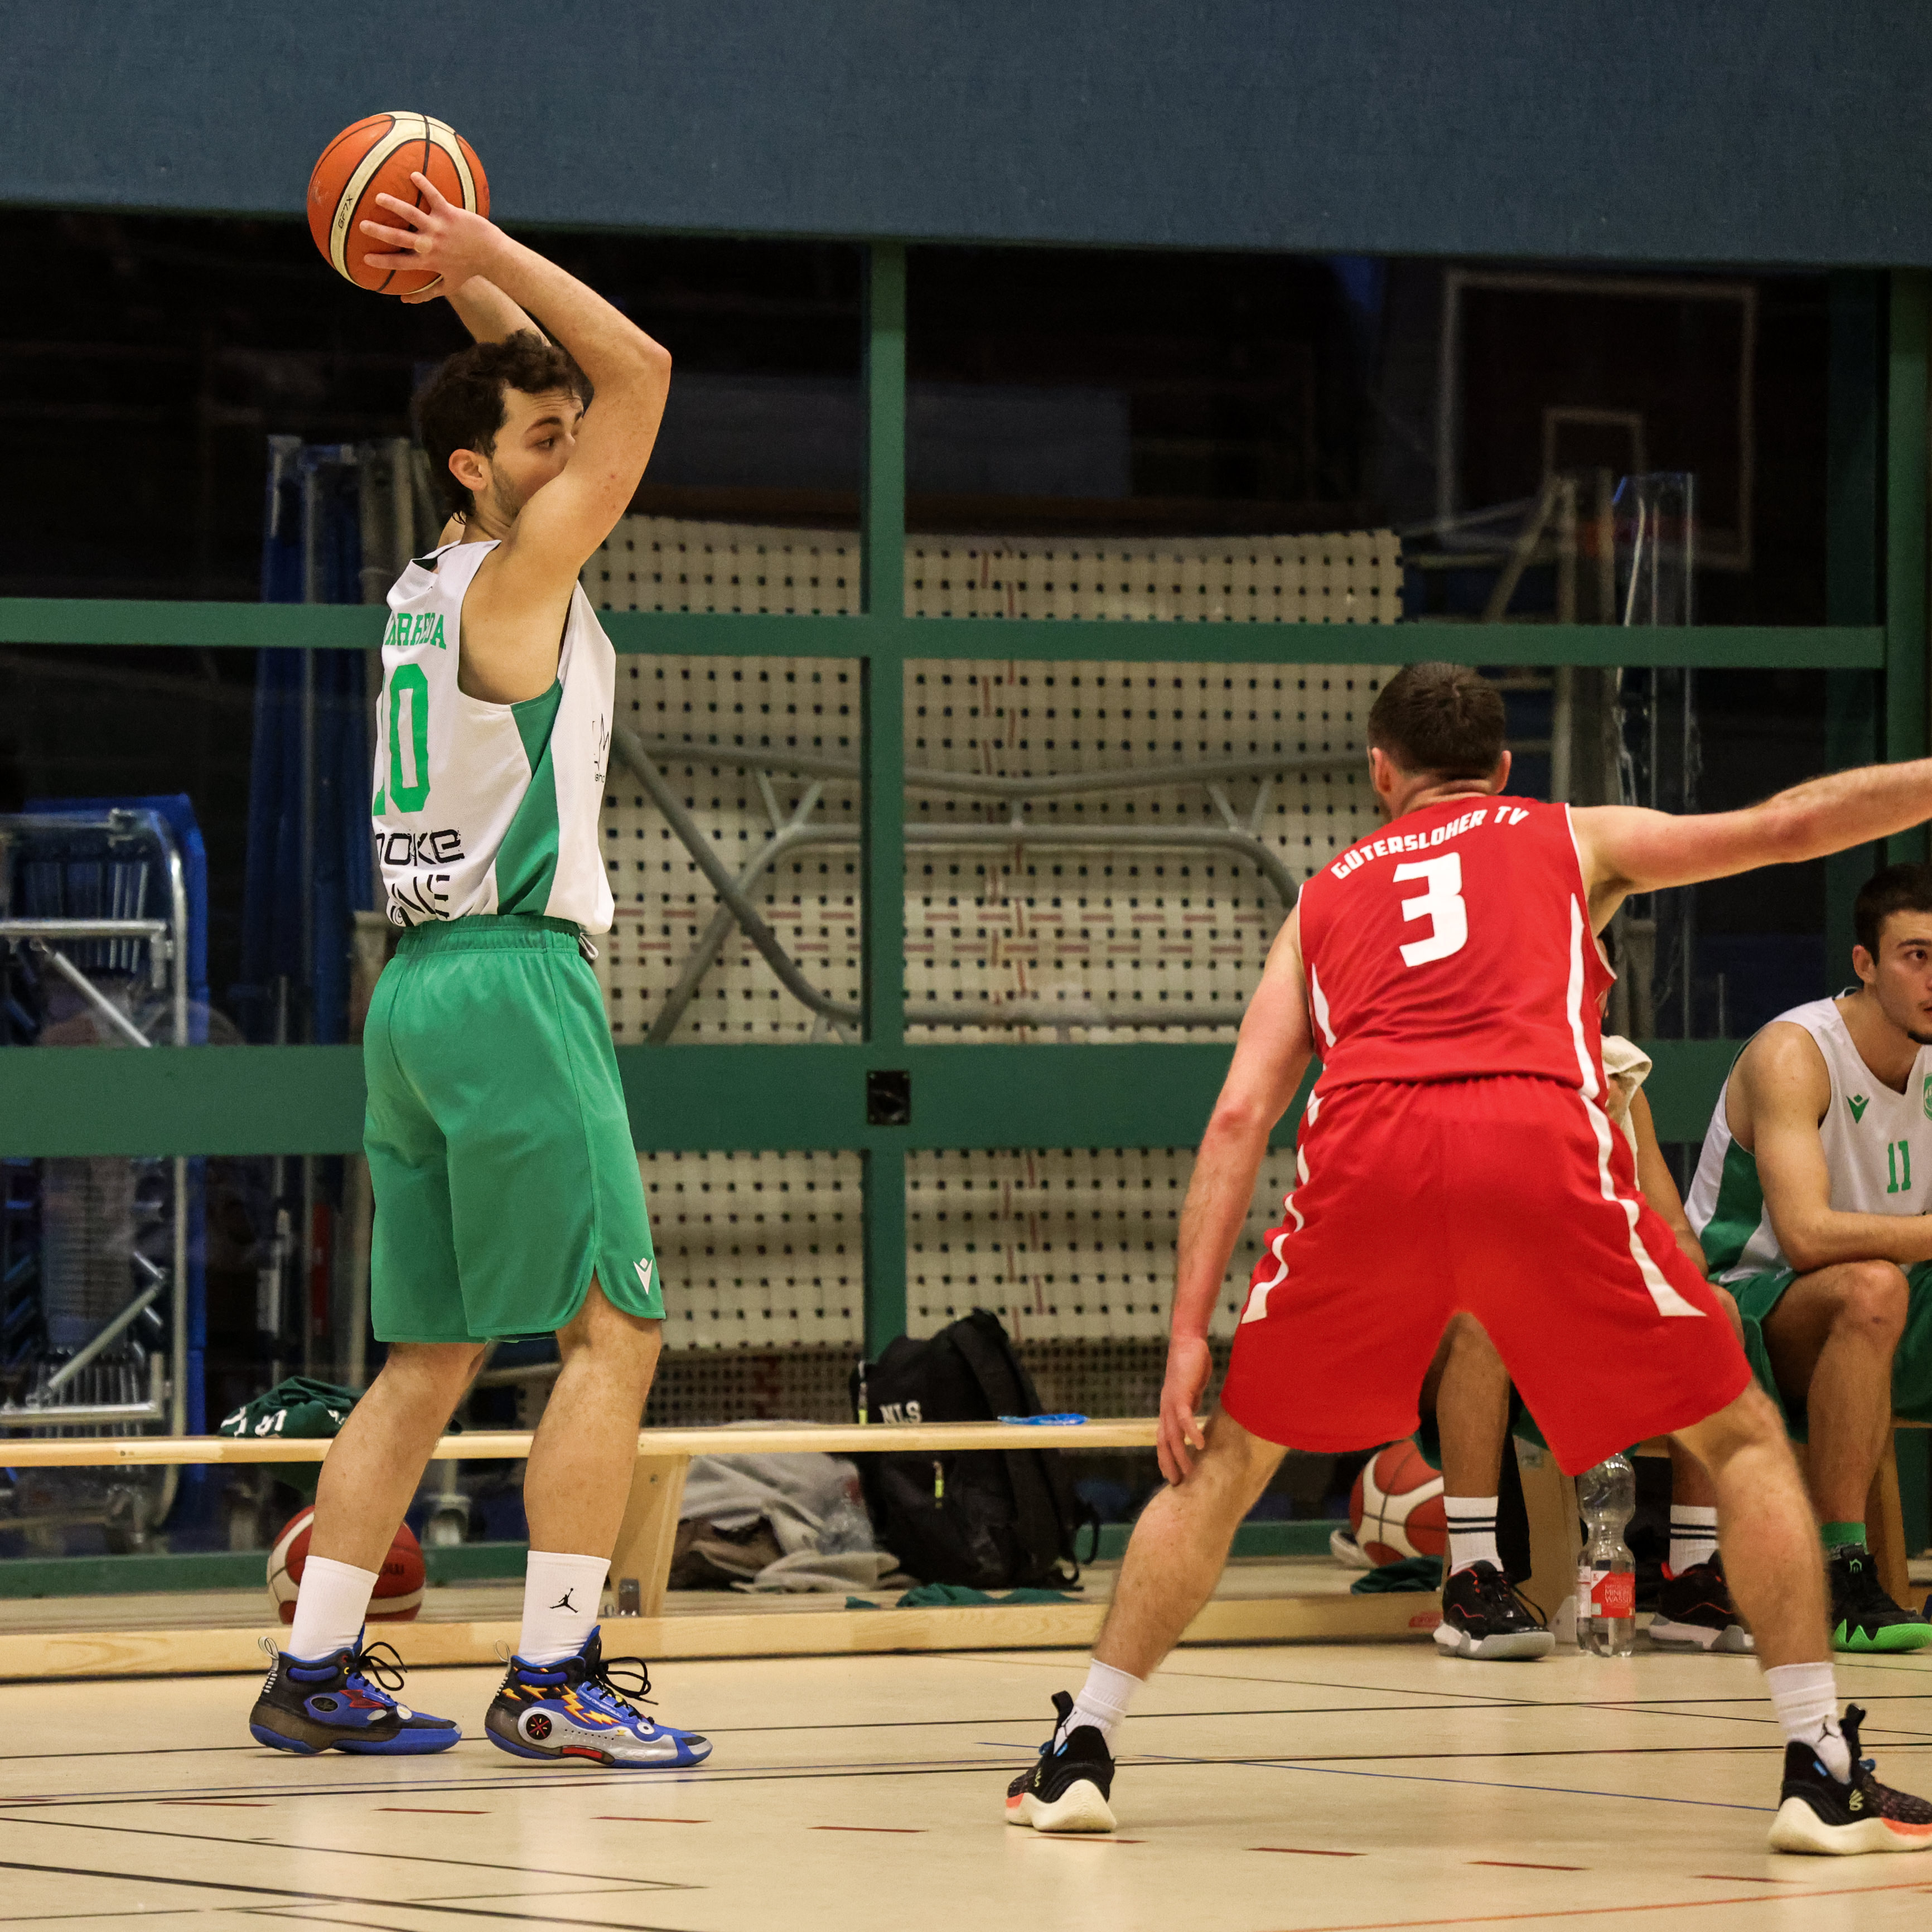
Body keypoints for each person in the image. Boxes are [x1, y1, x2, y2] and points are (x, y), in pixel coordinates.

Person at [1004, 663, 1932, 1855]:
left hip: (1368, 1158)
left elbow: (1238, 1116)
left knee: (1223, 1463)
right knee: (1744, 1440)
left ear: (1378, 772)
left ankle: (1082, 1745)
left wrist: (1187, 1333)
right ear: (1501, 768)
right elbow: (1785, 825)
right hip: (1530, 1139)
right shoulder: (1568, 836)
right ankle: (1815, 1764)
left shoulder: (1322, 897)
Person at [249, 173, 710, 1768]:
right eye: (541, 444)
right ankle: (556, 1672)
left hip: (414, 996)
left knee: (430, 1353)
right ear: (473, 467)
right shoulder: (524, 582)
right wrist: (478, 243)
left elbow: (552, 381)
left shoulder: (427, 586)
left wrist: (456, 282)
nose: (572, 459)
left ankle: (316, 1667)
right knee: (613, 1334)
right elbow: (640, 371)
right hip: (514, 981)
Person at [1428, 1032, 1751, 1660]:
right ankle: (1470, 1576)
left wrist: (1646, 1263)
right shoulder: (1468, 1068)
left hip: (1586, 1311)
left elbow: (1678, 1237)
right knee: (1479, 1312)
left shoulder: (1617, 1077)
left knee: (1714, 1308)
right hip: (1456, 1321)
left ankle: (1692, 1578)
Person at [1684, 863, 1932, 1654]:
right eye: (1916, 956)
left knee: (1880, 1288)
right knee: (1872, 1286)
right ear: (1865, 963)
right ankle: (1840, 1572)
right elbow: (1805, 1237)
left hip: (1878, 1304)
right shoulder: (1795, 1052)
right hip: (1745, 1307)